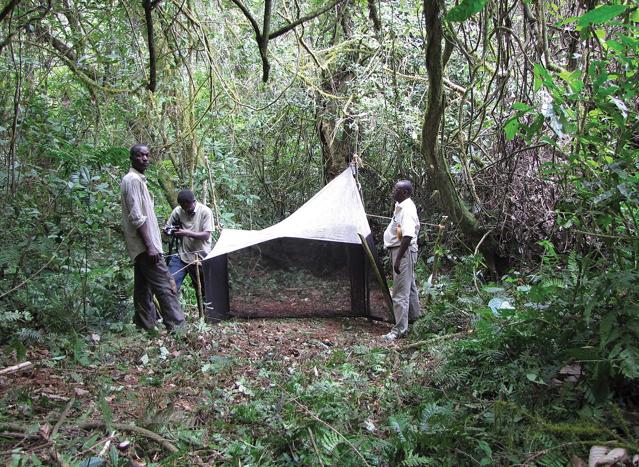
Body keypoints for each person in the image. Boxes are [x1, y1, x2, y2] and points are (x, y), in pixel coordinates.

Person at [120, 144, 185, 331]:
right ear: (132, 158)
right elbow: (136, 216)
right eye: (141, 156)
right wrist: (150, 246)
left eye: (147, 155)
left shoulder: (139, 180)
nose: (145, 159)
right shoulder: (132, 180)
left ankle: (144, 325)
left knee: (143, 288)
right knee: (165, 285)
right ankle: (178, 328)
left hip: (143, 247)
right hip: (145, 246)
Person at [382, 179, 421, 341]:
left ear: (404, 192)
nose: (393, 191)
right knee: (409, 287)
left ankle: (399, 330)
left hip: (403, 252)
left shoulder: (407, 209)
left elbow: (407, 235)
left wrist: (398, 259)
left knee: (399, 292)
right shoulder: (400, 207)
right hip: (401, 251)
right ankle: (414, 319)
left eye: (396, 189)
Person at [164, 189, 214, 311]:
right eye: (183, 208)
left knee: (203, 291)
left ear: (194, 202)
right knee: (170, 285)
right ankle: (174, 318)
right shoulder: (178, 211)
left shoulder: (205, 212)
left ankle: (207, 317)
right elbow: (168, 228)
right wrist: (167, 231)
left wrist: (186, 233)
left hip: (200, 257)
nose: (186, 210)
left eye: (188, 207)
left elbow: (206, 235)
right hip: (182, 255)